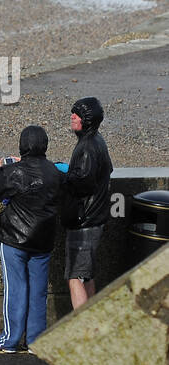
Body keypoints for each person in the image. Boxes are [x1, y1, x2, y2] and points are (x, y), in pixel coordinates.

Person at [0, 125, 62, 353]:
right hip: (43, 238)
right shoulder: (55, 172)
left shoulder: (14, 171)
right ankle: (36, 341)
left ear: (22, 145)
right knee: (38, 290)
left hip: (14, 238)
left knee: (15, 288)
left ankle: (9, 340)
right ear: (45, 145)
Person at [62, 97, 112, 309]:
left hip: (84, 221)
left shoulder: (87, 147)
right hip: (95, 218)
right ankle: (92, 320)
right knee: (87, 275)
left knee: (74, 276)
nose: (72, 116)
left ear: (88, 120)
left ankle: (81, 327)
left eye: (78, 114)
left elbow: (81, 182)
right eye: (73, 112)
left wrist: (60, 177)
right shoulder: (97, 141)